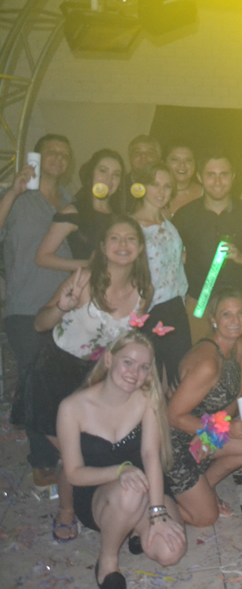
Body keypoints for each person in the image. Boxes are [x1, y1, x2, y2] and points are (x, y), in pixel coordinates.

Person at [27, 215, 153, 543]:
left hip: (98, 378)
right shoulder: (82, 279)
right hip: (55, 375)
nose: (122, 245)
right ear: (103, 245)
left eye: (130, 239)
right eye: (115, 238)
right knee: (74, 453)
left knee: (92, 451)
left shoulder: (144, 292)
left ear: (140, 248)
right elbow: (40, 324)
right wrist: (62, 306)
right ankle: (66, 510)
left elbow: (126, 344)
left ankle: (109, 506)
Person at [56, 331, 186, 588]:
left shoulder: (147, 399)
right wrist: (120, 471)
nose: (134, 373)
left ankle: (135, 528)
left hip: (147, 488)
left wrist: (158, 513)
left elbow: (150, 455)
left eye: (143, 367)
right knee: (129, 492)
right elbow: (73, 473)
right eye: (127, 362)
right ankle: (108, 560)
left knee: (170, 553)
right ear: (108, 360)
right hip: (98, 496)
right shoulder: (72, 407)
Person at [172, 150, 242, 469]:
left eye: (224, 174)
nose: (218, 181)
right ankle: (204, 442)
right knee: (200, 378)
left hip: (241, 308)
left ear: (233, 177)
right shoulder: (185, 216)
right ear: (200, 177)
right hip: (200, 306)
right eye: (211, 175)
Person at [3, 134, 76, 488]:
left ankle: (67, 449)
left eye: (64, 153)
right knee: (35, 380)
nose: (58, 158)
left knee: (61, 382)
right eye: (51, 152)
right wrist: (12, 191)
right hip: (24, 305)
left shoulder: (69, 200)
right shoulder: (19, 196)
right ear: (37, 157)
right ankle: (43, 459)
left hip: (65, 307)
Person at [165, 288, 242, 526]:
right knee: (205, 517)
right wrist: (221, 431)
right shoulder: (208, 363)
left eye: (241, 313)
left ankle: (205, 487)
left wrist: (210, 436)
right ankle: (153, 507)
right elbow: (172, 416)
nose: (235, 320)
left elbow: (234, 397)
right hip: (173, 444)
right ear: (213, 319)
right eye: (226, 314)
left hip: (201, 434)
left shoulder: (238, 347)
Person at [129, 163, 193, 390]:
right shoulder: (132, 225)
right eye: (155, 184)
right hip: (149, 308)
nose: (161, 191)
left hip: (175, 306)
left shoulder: (168, 222)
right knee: (147, 380)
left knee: (180, 378)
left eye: (167, 186)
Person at [35, 149, 125, 272]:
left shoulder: (121, 216)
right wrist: (87, 264)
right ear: (91, 174)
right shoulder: (73, 212)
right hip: (84, 282)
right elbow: (42, 258)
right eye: (103, 171)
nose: (109, 179)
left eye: (116, 174)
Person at [165, 144, 201, 217]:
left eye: (188, 160)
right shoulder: (152, 194)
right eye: (175, 159)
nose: (182, 165)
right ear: (164, 163)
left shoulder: (206, 194)